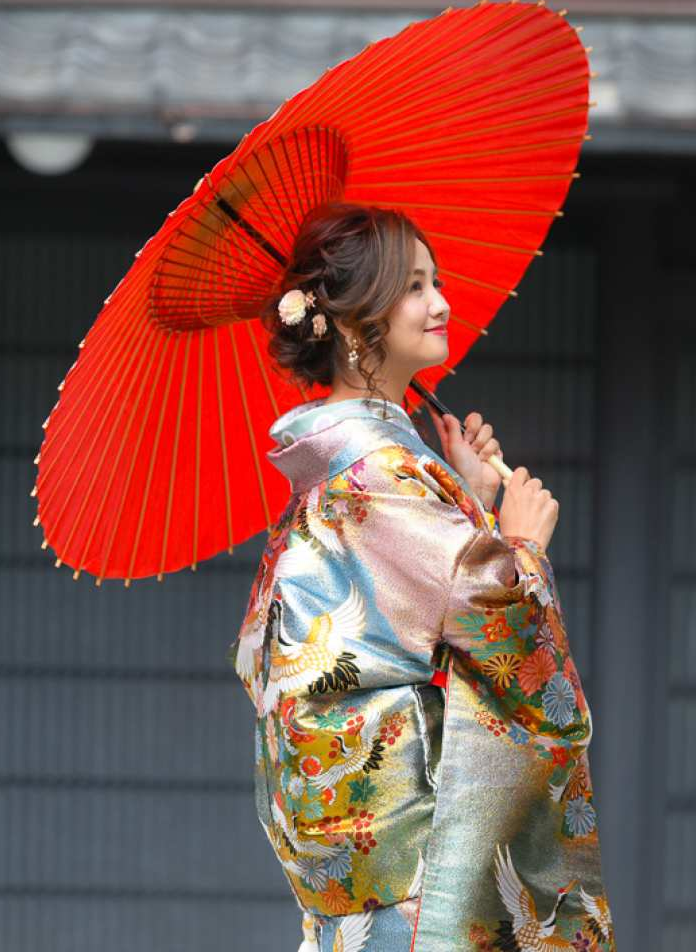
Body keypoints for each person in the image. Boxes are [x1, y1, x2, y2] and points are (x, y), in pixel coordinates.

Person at [229, 202, 615, 952]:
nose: (439, 302)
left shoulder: (357, 464)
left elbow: (421, 595)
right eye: (412, 286)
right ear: (349, 321)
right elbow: (487, 621)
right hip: (416, 855)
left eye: (435, 281)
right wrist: (520, 544)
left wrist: (463, 491)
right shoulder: (378, 468)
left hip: (372, 848)